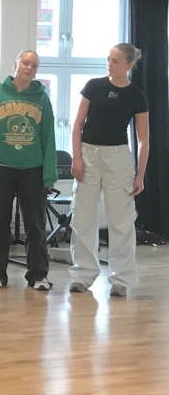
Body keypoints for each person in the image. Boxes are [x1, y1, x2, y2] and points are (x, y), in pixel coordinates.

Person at [69, 43, 149, 297]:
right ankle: (82, 275)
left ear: (128, 65)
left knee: (121, 221)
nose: (109, 64)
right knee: (83, 218)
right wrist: (77, 158)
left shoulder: (136, 96)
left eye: (115, 61)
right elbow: (77, 125)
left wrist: (140, 175)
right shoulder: (94, 86)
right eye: (108, 59)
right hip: (88, 154)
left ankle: (121, 280)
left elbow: (143, 139)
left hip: (118, 158)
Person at [0, 49, 57, 291]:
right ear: (16, 64)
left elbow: (48, 138)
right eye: (25, 63)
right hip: (0, 169)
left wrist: (49, 173)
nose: (29, 68)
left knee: (35, 224)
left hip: (33, 170)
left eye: (34, 65)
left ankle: (38, 275)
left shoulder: (42, 99)